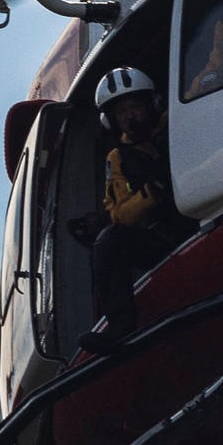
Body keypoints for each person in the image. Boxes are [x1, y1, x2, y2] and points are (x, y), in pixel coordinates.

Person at [85, 62, 176, 333]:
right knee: (109, 240)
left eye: (134, 107)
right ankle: (120, 326)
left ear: (152, 103)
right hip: (168, 235)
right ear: (110, 120)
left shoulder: (180, 117)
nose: (130, 117)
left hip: (209, 203)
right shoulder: (118, 158)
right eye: (121, 112)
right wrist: (150, 195)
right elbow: (119, 213)